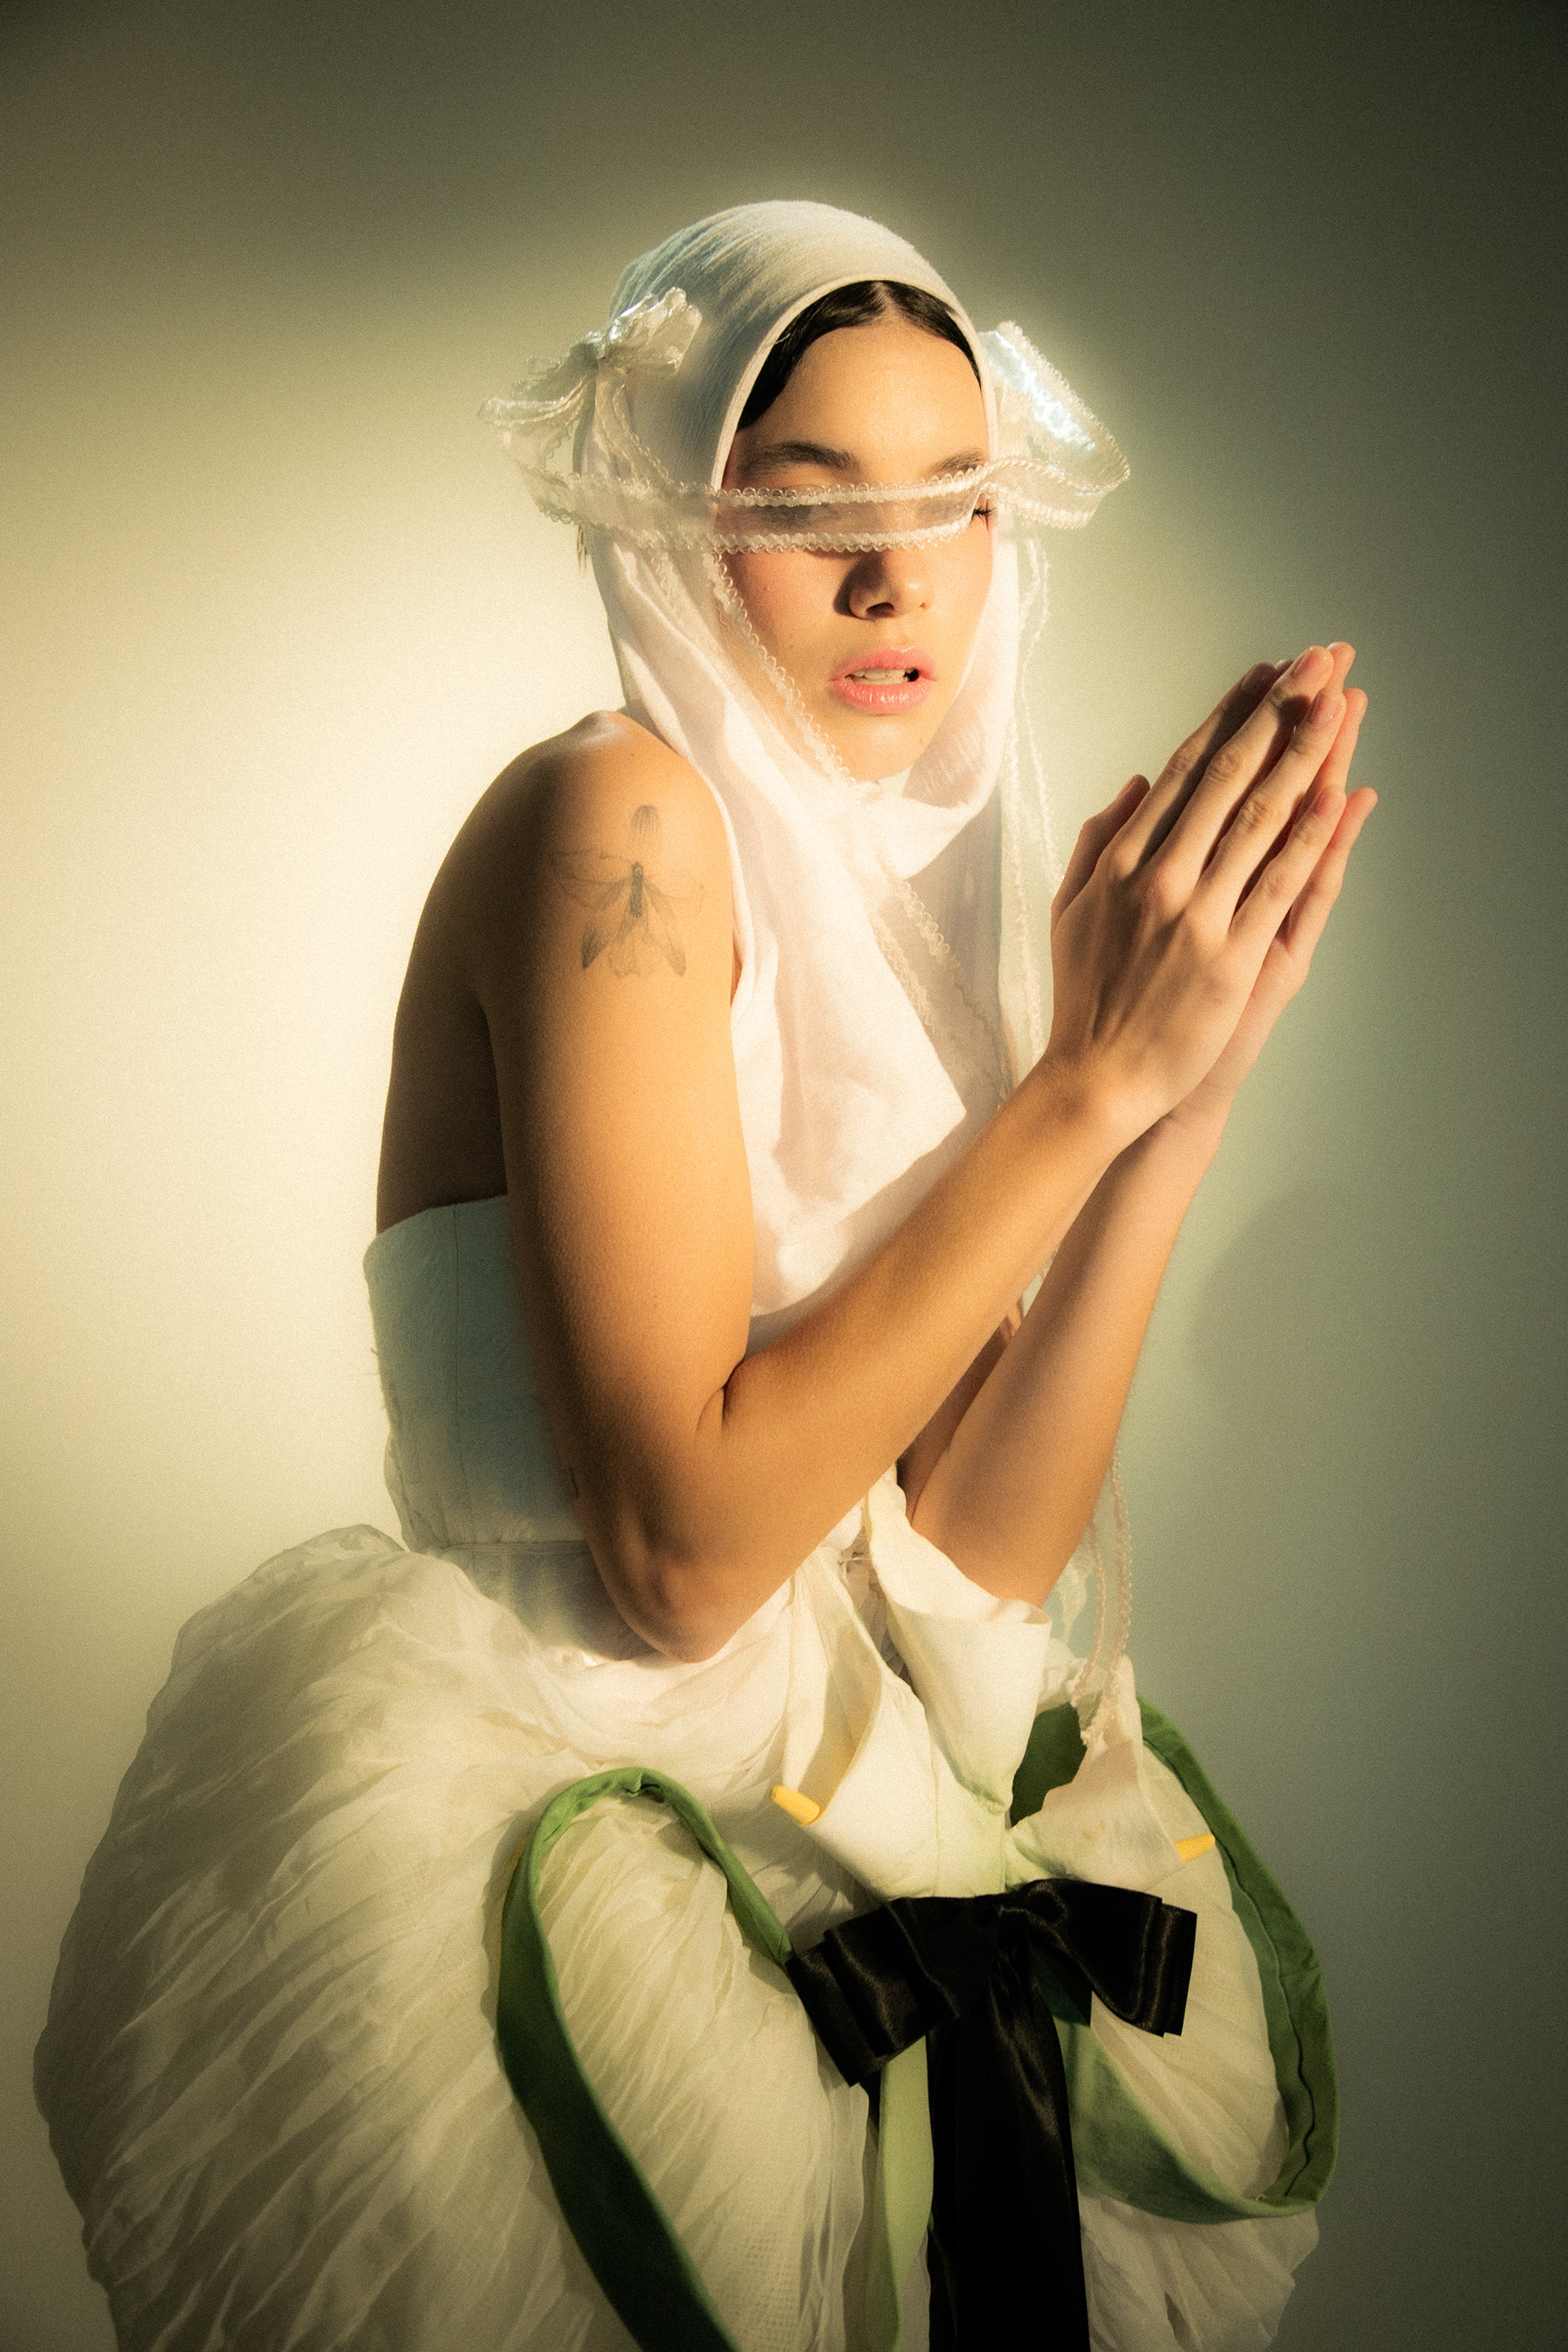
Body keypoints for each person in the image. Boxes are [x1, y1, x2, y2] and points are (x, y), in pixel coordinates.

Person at [35, 200, 1373, 2352]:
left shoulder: (900, 916)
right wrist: (1078, 1087)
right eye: (806, 504)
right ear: (666, 519)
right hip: (565, 1872)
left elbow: (967, 1562)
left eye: (954, 500)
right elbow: (680, 1557)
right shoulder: (619, 826)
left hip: (838, 1864)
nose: (896, 575)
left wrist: (1166, 1110)